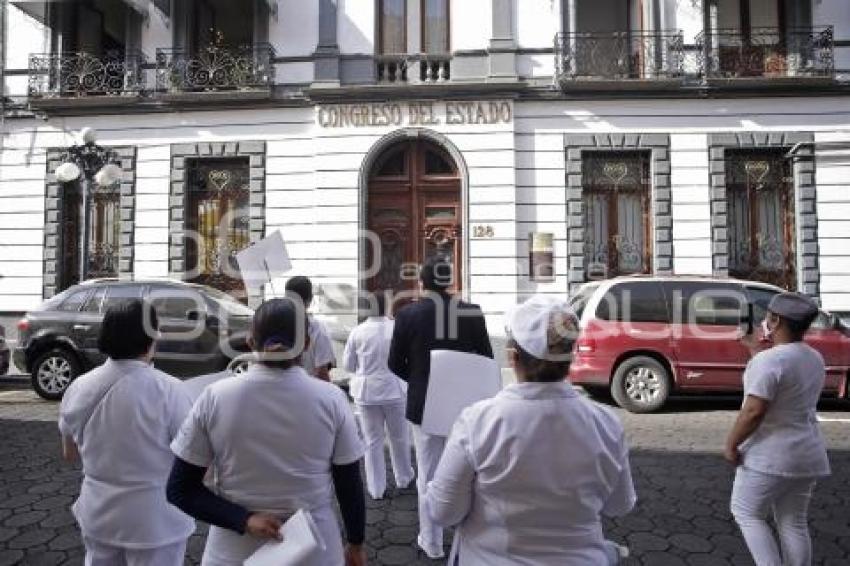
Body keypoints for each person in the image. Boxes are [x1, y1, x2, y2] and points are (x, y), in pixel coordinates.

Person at [425, 295, 635, 565]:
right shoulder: (606, 423)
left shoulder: (477, 422)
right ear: (569, 358)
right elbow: (620, 505)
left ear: (512, 357)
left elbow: (444, 513)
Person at [167, 297, 367, 566]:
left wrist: (243, 520)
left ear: (250, 341)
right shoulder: (332, 399)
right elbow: (349, 485)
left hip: (232, 552)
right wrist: (355, 543)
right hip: (314, 549)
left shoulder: (215, 397)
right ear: (306, 344)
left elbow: (180, 489)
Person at [58, 299, 194, 566]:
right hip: (156, 522)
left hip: (99, 515)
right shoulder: (171, 390)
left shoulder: (78, 387)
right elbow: (192, 458)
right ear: (150, 337)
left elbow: (69, 453)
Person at [388, 254, 493, 559]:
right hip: (465, 405)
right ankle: (466, 536)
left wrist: (421, 381)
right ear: (450, 282)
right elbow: (485, 357)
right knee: (469, 474)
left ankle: (431, 541)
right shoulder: (471, 313)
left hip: (425, 405)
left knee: (428, 475)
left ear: (422, 283)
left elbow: (394, 363)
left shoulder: (408, 315)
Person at [725, 292, 831, 566]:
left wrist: (731, 444)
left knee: (746, 512)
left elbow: (754, 411)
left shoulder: (769, 361)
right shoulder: (814, 357)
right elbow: (780, 371)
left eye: (768, 316)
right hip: (807, 454)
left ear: (776, 320)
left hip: (769, 456)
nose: (763, 320)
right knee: (793, 521)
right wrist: (753, 349)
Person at [342, 291, 415, 500]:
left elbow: (348, 365)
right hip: (394, 389)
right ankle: (404, 477)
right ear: (387, 306)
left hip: (366, 392)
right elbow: (408, 359)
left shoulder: (357, 332)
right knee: (399, 436)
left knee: (372, 440)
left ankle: (376, 488)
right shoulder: (396, 328)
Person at [286, 275, 335, 381]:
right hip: (308, 391)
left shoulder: (274, 324)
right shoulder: (317, 329)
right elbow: (322, 373)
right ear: (310, 299)